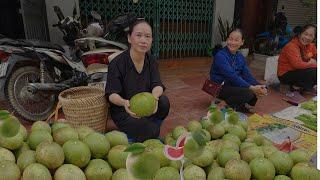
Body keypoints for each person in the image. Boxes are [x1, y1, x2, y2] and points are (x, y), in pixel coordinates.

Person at [105, 19, 170, 142]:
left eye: (148, 36)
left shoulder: (151, 60)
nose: (143, 40)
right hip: (124, 110)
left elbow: (158, 85)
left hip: (145, 104)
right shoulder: (117, 63)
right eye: (138, 35)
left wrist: (155, 98)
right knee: (153, 131)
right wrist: (124, 102)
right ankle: (146, 128)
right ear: (129, 38)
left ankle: (146, 124)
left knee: (164, 102)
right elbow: (111, 95)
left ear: (151, 40)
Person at [210, 28, 267, 113]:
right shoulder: (220, 56)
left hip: (233, 85)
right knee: (248, 92)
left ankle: (236, 104)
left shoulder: (240, 57)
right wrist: (252, 88)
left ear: (242, 42)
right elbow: (232, 76)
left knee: (254, 90)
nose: (232, 42)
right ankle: (223, 103)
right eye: (230, 39)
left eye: (236, 40)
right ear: (227, 40)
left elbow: (248, 76)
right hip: (219, 87)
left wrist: (261, 87)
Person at [277, 24, 317, 92]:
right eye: (305, 34)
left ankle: (304, 86)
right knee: (313, 72)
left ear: (314, 38)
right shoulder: (291, 46)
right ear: (300, 34)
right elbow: (297, 64)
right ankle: (297, 86)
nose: (307, 37)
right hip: (286, 74)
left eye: (311, 35)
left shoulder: (311, 46)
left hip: (299, 71)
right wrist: (314, 64)